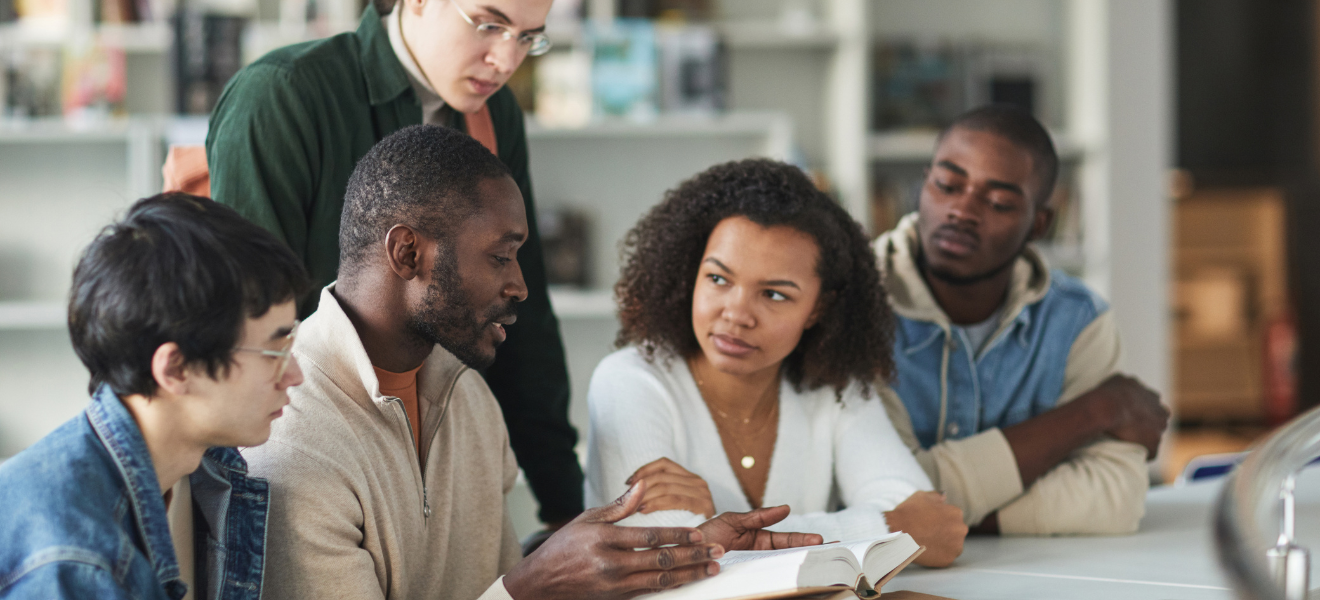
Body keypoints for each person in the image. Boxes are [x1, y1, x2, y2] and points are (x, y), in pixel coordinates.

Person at [242, 125, 823, 600]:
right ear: (407, 252)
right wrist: (531, 588)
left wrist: (680, 552)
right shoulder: (290, 439)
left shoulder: (464, 391)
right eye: (500, 257)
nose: (520, 286)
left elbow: (484, 591)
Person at [206, 0, 583, 529]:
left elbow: (526, 312)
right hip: (303, 457)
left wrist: (567, 508)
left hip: (436, 446)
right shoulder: (283, 94)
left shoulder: (494, 114)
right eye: (489, 24)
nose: (505, 60)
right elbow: (246, 331)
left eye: (528, 37)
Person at [585, 159, 969, 568]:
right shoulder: (629, 380)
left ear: (818, 308)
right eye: (718, 279)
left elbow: (934, 530)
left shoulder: (833, 387)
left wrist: (721, 526)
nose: (737, 314)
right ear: (689, 272)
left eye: (774, 294)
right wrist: (882, 526)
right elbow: (671, 557)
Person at [873, 105, 1171, 535]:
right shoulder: (854, 303)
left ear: (1039, 223)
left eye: (998, 202)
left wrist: (945, 518)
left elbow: (1115, 495)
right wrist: (1096, 411)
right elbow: (888, 495)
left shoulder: (1077, 320)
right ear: (924, 183)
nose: (962, 210)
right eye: (947, 185)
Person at [0, 193, 309, 599]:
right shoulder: (75, 561)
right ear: (175, 369)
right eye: (275, 351)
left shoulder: (209, 470)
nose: (296, 375)